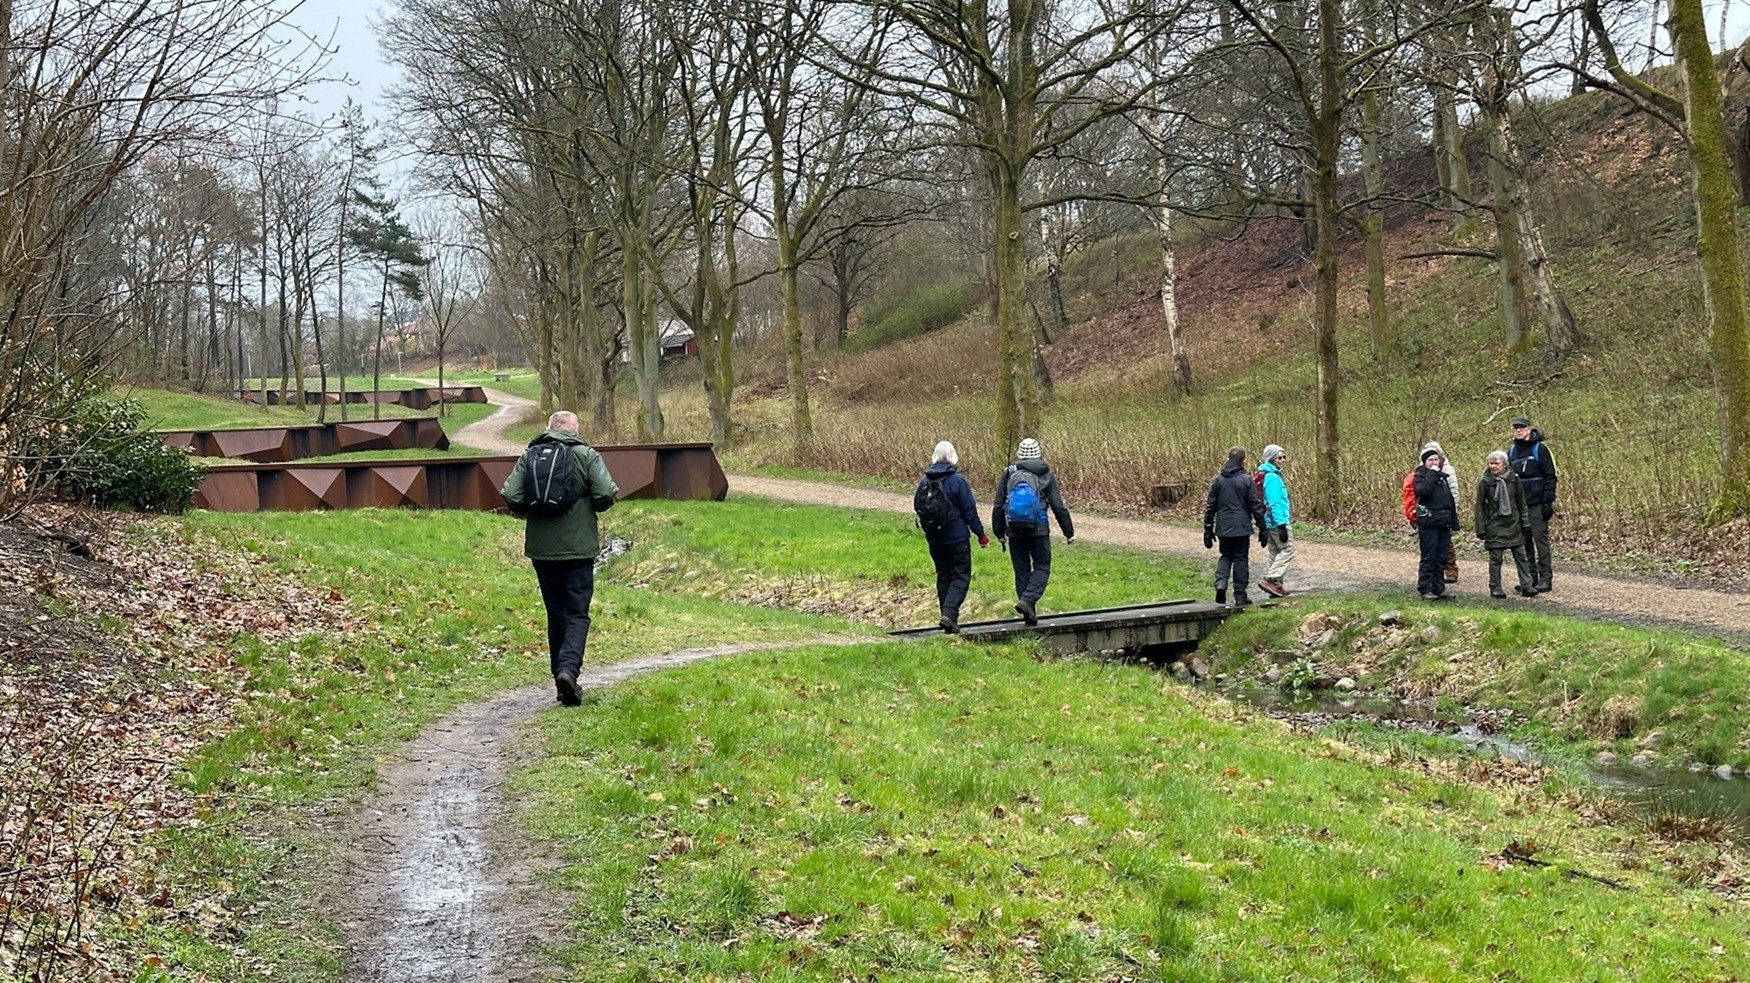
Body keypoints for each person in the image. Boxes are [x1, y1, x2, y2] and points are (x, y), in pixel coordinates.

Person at [500, 410, 620, 707]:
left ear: (549, 428)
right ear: (574, 428)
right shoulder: (586, 454)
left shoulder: (530, 455)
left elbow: (511, 496)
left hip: (542, 549)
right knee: (577, 612)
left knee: (555, 612)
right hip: (579, 546)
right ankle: (568, 671)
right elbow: (605, 493)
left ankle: (559, 680)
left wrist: (536, 507)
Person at [992, 437, 1074, 626]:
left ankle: (1028, 611)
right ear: (1038, 452)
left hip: (1013, 529)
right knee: (1042, 566)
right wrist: (1068, 532)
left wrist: (999, 532)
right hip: (1038, 530)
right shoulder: (1046, 473)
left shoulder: (1009, 472)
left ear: (1019, 454)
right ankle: (1028, 602)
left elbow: (998, 504)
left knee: (1022, 570)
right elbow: (1058, 505)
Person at [917, 440, 988, 634]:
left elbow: (918, 507)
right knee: (960, 576)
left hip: (934, 539)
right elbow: (969, 510)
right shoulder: (957, 481)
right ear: (952, 456)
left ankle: (947, 617)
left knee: (943, 576)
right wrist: (981, 535)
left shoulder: (925, 481)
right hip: (956, 538)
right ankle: (949, 614)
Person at [1203, 446, 1268, 609]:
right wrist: (1262, 528)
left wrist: (1208, 529)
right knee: (1240, 558)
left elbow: (1211, 506)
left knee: (1225, 556)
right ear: (1243, 461)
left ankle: (1221, 584)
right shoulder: (1246, 480)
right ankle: (1240, 595)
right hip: (1241, 526)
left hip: (1223, 526)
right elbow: (1255, 505)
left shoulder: (1218, 480)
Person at [1474, 450, 1536, 599]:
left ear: (1505, 464)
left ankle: (1527, 585)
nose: (1493, 466)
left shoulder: (1514, 479)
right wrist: (1481, 528)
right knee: (1496, 559)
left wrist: (1525, 523)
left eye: (1497, 463)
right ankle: (1495, 587)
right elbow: (1479, 507)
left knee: (1521, 556)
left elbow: (1521, 503)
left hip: (1514, 523)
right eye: (1491, 463)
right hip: (1494, 525)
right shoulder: (1484, 482)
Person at [1506, 415, 1558, 593]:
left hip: (1537, 504)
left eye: (1522, 427)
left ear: (1530, 428)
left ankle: (1545, 578)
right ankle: (1529, 577)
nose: (1518, 430)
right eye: (1516, 428)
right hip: (1519, 506)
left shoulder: (1540, 449)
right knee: (1524, 541)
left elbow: (1551, 477)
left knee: (1540, 540)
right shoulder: (1511, 452)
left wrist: (1547, 502)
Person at [1411, 447, 1460, 600]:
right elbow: (1423, 491)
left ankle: (1439, 587)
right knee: (1429, 557)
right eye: (1430, 460)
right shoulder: (1420, 476)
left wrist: (1454, 522)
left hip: (1443, 522)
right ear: (1424, 462)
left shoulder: (1442, 477)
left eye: (1436, 459)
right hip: (1428, 523)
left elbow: (1449, 500)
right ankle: (1425, 588)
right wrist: (1432, 473)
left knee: (1441, 557)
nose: (1434, 462)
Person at [1256, 444, 1295, 597]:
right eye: (1279, 457)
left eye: (1284, 457)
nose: (1282, 460)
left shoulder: (1266, 474)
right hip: (1276, 521)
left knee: (1275, 552)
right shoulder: (1271, 477)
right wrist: (1281, 525)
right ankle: (1270, 579)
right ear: (1271, 458)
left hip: (1268, 521)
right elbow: (1274, 503)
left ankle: (1276, 586)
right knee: (1288, 549)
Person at [1421, 440, 1461, 585]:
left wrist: (1453, 510)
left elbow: (1453, 491)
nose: (1433, 461)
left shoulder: (1447, 470)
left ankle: (1451, 569)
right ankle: (1431, 578)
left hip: (1445, 512)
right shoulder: (1421, 471)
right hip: (1428, 515)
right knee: (1431, 547)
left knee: (1446, 544)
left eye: (1435, 457)